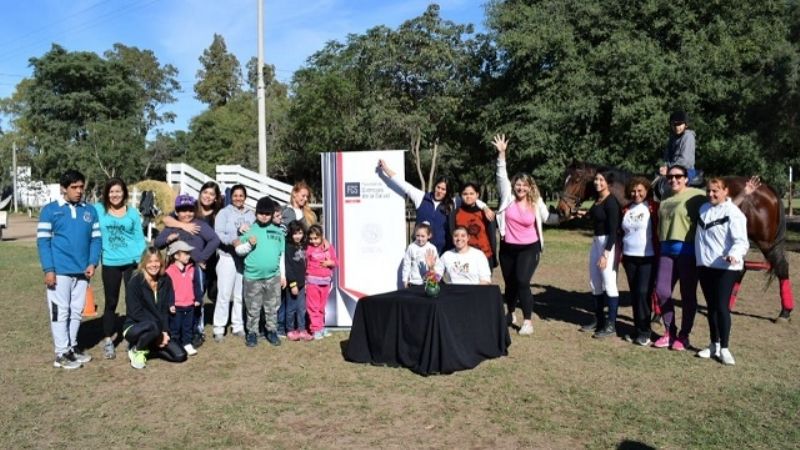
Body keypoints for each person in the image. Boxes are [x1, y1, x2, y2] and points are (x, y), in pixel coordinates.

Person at [492, 134, 559, 335]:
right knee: (510, 283)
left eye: (524, 185)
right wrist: (502, 154)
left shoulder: (536, 202)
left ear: (530, 187)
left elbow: (548, 219)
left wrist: (566, 217)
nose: (520, 188)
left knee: (522, 281)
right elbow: (501, 175)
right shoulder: (508, 198)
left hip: (529, 247)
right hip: (507, 248)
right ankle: (511, 312)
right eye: (518, 184)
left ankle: (528, 321)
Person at [37, 169, 101, 369]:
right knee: (60, 312)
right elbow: (43, 242)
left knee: (76, 311)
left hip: (82, 271)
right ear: (63, 189)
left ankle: (71, 348)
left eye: (81, 187)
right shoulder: (50, 210)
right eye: (74, 187)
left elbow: (96, 239)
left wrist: (92, 262)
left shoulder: (90, 211)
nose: (79, 191)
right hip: (59, 271)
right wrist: (49, 269)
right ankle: (61, 353)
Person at [377, 160, 494, 254]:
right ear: (434, 186)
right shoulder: (421, 197)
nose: (440, 191)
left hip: (443, 251)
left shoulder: (453, 202)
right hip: (420, 249)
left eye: (444, 189)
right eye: (438, 187)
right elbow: (404, 185)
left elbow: (470, 198)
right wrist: (386, 170)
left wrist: (485, 207)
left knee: (439, 282)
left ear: (447, 191)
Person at [154, 194, 220, 347]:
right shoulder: (172, 225)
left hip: (195, 269)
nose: (187, 214)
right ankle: (172, 329)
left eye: (190, 210)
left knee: (196, 300)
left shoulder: (199, 225)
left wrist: (202, 257)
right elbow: (157, 243)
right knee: (174, 299)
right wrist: (168, 239)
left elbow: (214, 239)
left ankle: (197, 329)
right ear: (176, 212)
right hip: (175, 271)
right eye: (183, 211)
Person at [695, 178, 749, 365]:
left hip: (725, 267)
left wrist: (734, 254)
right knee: (711, 307)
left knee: (721, 307)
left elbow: (741, 241)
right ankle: (713, 344)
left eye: (715, 191)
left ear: (726, 191)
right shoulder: (703, 209)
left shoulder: (734, 213)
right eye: (708, 191)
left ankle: (725, 348)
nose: (710, 194)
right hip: (705, 266)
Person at [652, 164, 706, 350]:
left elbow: (718, 207)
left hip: (687, 251)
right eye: (670, 177)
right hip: (666, 250)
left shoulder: (697, 196)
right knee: (661, 291)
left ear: (686, 178)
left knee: (687, 295)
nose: (673, 180)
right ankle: (670, 331)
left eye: (678, 176)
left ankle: (684, 335)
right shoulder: (666, 196)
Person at [94, 177, 146, 359]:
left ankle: (132, 338)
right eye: (111, 191)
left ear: (124, 192)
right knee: (111, 302)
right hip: (110, 263)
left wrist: (141, 260)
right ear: (107, 193)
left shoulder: (132, 213)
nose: (115, 195)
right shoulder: (99, 210)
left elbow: (139, 238)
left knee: (133, 301)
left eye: (118, 191)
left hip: (131, 262)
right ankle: (108, 340)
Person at [124, 247, 187, 369]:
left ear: (161, 263)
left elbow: (165, 311)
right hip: (135, 326)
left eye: (157, 261)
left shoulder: (165, 280)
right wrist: (159, 332)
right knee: (153, 326)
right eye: (150, 261)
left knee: (180, 355)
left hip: (159, 328)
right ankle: (136, 349)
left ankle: (150, 349)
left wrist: (164, 331)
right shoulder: (134, 282)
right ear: (144, 263)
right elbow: (135, 312)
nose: (154, 265)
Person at [577, 170, 622, 339]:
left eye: (601, 180)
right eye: (596, 179)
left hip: (607, 244)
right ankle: (598, 320)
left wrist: (605, 254)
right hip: (596, 242)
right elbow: (595, 216)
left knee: (609, 282)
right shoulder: (598, 200)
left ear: (608, 183)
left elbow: (613, 231)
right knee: (595, 282)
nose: (597, 182)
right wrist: (582, 214)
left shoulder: (611, 202)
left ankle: (611, 324)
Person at [236, 197, 285, 347]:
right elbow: (239, 250)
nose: (264, 216)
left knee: (272, 306)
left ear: (272, 214)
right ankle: (252, 332)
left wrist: (283, 275)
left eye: (268, 213)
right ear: (256, 213)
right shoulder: (249, 230)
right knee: (253, 307)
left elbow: (281, 255)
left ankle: (271, 330)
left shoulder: (278, 232)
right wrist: (249, 244)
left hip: (273, 277)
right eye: (261, 213)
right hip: (253, 277)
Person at [212, 184, 254, 342]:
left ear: (245, 197)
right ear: (231, 197)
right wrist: (233, 240)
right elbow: (219, 234)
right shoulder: (224, 213)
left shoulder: (251, 214)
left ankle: (238, 325)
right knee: (224, 293)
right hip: (227, 256)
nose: (238, 198)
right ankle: (219, 327)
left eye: (241, 195)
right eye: (235, 195)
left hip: (243, 259)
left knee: (239, 294)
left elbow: (254, 231)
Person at [619, 177, 658, 346]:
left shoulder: (653, 208)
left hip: (647, 257)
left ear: (647, 190)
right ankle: (637, 329)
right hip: (629, 257)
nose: (636, 194)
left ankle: (645, 331)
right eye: (633, 191)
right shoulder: (626, 209)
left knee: (644, 293)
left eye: (640, 190)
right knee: (635, 294)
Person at [165, 241, 203, 356]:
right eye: (185, 253)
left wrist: (198, 299)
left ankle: (187, 343)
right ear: (176, 255)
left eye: (189, 253)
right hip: (176, 306)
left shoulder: (192, 268)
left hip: (190, 305)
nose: (188, 256)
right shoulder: (169, 272)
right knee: (175, 328)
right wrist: (170, 303)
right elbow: (168, 290)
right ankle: (175, 344)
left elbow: (196, 285)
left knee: (188, 327)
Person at [451, 182, 497, 269]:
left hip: (484, 256)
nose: (468, 196)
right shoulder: (455, 213)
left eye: (472, 194)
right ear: (460, 195)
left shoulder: (485, 213)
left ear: (477, 195)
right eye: (465, 194)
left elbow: (492, 236)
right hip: (463, 258)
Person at [426, 226, 492, 285]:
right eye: (456, 236)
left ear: (468, 238)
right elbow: (435, 280)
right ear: (452, 238)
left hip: (473, 293)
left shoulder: (478, 255)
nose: (459, 238)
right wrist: (431, 268)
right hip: (452, 293)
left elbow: (486, 280)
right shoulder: (447, 255)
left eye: (463, 236)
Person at [305, 224, 338, 340]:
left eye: (316, 238)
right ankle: (315, 329)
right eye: (311, 238)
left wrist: (330, 263)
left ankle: (321, 327)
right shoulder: (308, 248)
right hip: (312, 282)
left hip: (325, 282)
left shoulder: (328, 247)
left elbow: (335, 262)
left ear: (321, 237)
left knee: (321, 307)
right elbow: (304, 263)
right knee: (313, 307)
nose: (313, 241)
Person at [284, 220, 313, 341]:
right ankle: (290, 330)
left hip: (303, 283)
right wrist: (293, 284)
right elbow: (288, 267)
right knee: (291, 308)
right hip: (293, 284)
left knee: (302, 308)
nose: (298, 236)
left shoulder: (304, 245)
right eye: (295, 233)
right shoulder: (288, 247)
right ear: (290, 234)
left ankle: (302, 329)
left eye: (300, 233)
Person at [660, 110, 696, 181]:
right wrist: (665, 166)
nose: (677, 127)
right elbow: (667, 158)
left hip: (686, 170)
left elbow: (685, 161)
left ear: (686, 124)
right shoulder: (672, 138)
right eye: (674, 124)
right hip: (672, 169)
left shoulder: (688, 137)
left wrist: (669, 168)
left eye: (679, 124)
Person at [401, 223, 440, 287]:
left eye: (423, 236)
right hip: (414, 282)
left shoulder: (432, 248)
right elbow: (406, 265)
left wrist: (435, 278)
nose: (420, 239)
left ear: (429, 236)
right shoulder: (411, 247)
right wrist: (405, 280)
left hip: (428, 282)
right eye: (417, 236)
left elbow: (437, 265)